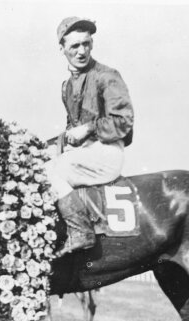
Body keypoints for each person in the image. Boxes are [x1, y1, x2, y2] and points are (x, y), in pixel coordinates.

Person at [46, 17, 134, 257]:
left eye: (86, 44)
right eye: (74, 46)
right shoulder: (67, 86)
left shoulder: (108, 76)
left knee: (51, 172)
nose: (81, 51)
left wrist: (88, 129)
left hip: (107, 152)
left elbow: (124, 122)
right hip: (84, 154)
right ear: (62, 48)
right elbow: (71, 130)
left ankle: (82, 232)